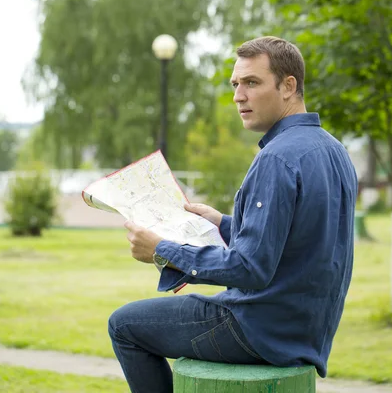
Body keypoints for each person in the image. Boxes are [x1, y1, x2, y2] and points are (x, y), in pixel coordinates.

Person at [109, 36, 358, 393]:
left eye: (252, 83)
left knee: (123, 325)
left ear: (289, 86)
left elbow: (249, 269)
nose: (239, 96)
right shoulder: (334, 149)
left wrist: (162, 249)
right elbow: (295, 239)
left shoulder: (276, 158)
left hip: (259, 330)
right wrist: (223, 223)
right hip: (305, 330)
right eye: (235, 84)